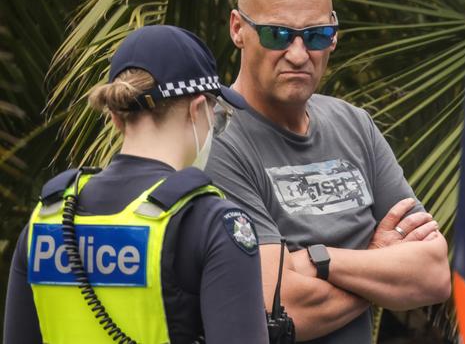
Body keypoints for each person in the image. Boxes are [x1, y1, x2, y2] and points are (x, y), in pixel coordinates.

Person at [204, 0, 452, 343]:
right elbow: (276, 311)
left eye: (317, 35)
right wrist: (378, 263)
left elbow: (433, 274)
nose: (299, 54)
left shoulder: (355, 126)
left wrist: (320, 260)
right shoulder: (215, 138)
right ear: (238, 29)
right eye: (278, 34)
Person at [3, 25, 269, 343]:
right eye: (217, 115)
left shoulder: (48, 218)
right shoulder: (213, 224)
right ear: (197, 110)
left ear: (116, 116)